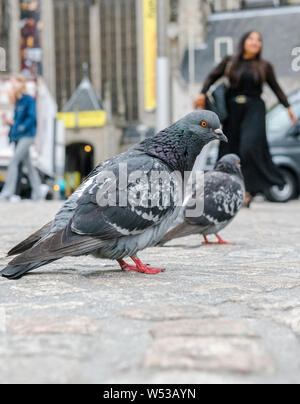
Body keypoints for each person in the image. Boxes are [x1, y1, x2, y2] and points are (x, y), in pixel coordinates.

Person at [194, 31, 297, 206]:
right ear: (244, 42)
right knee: (229, 150)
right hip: (232, 110)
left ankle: (247, 190)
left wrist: (288, 108)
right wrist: (202, 94)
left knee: (249, 148)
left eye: (259, 40)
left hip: (254, 109)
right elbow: (211, 77)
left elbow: (276, 88)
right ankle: (228, 189)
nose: (255, 42)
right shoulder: (229, 62)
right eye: (251, 39)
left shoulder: (264, 66)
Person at [0, 75, 41, 201]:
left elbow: (32, 118)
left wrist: (21, 128)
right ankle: (38, 193)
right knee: (29, 165)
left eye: (14, 83)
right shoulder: (18, 102)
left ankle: (7, 192)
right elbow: (17, 122)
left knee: (14, 161)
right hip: (19, 137)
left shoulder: (28, 99)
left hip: (27, 136)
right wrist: (8, 122)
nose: (12, 85)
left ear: (21, 83)